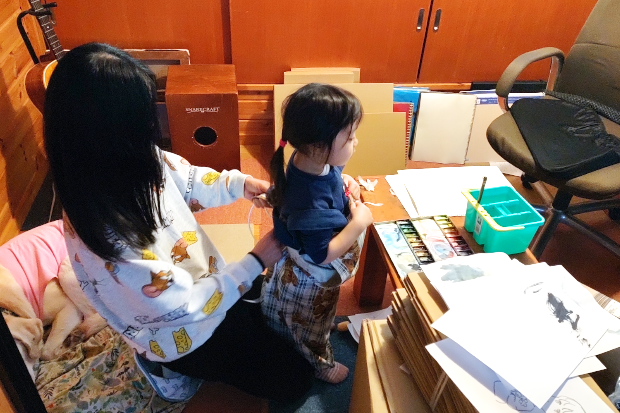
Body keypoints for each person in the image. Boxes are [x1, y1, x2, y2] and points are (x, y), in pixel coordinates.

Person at [43, 42, 314, 402]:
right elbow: (181, 306)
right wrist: (256, 260)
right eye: (143, 119)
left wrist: (239, 185)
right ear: (110, 132)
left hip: (206, 285)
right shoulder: (109, 236)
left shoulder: (133, 156)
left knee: (272, 308)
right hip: (180, 333)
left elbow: (186, 180)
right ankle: (164, 367)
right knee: (296, 381)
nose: (153, 127)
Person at [262, 83, 374, 384]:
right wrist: (359, 222)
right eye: (350, 137)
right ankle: (320, 364)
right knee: (310, 324)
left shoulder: (307, 160)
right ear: (317, 146)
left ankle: (305, 332)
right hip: (312, 274)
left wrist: (343, 181)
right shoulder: (310, 200)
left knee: (301, 316)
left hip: (301, 257)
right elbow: (323, 255)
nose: (357, 142)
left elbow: (332, 175)